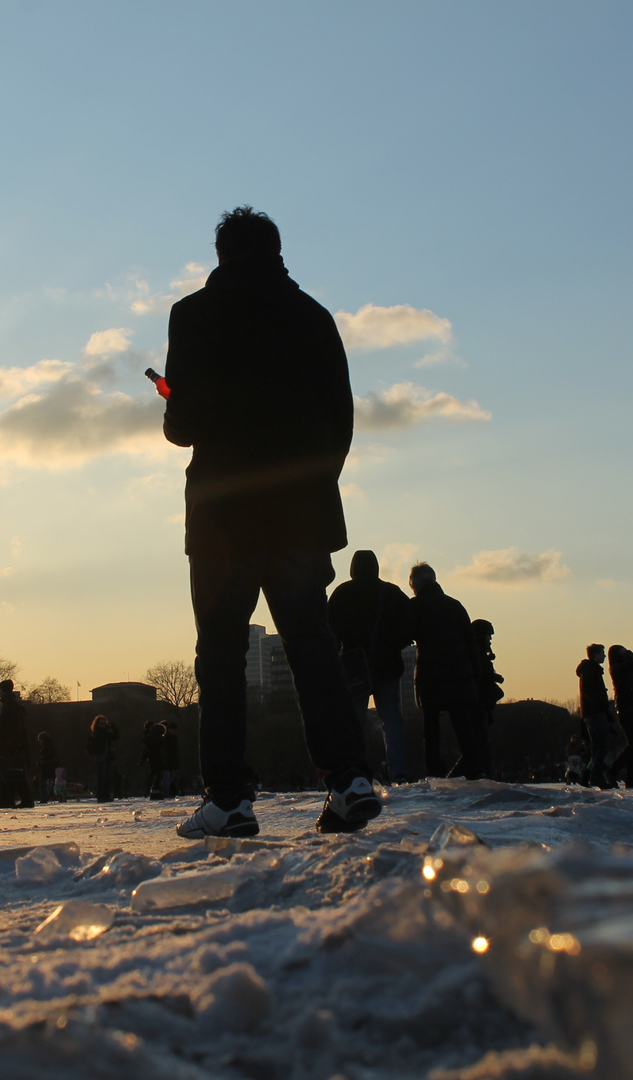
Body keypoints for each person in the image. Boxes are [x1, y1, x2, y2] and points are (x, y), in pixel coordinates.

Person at [162, 206, 379, 838]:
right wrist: (312, 486)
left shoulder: (193, 314)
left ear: (222, 253)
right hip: (300, 510)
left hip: (224, 512)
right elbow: (340, 419)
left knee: (222, 653)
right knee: (313, 646)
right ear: (277, 250)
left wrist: (174, 402)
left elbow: (184, 426)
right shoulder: (313, 317)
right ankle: (348, 778)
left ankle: (228, 797)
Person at [327, 549, 413, 783]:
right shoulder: (391, 593)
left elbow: (330, 630)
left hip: (355, 668)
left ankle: (354, 769)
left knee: (354, 722)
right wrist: (394, 643)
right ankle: (399, 771)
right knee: (391, 718)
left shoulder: (342, 593)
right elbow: (409, 623)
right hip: (387, 665)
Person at [409, 563, 489, 780]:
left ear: (414, 584)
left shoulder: (415, 606)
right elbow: (470, 643)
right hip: (459, 675)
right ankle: (476, 766)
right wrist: (475, 673)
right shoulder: (455, 606)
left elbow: (405, 634)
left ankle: (434, 772)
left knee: (431, 728)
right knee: (463, 725)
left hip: (431, 674)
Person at [576, 645, 615, 789]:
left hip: (591, 713)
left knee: (597, 748)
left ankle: (587, 776)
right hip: (595, 713)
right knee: (603, 745)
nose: (604, 656)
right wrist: (602, 708)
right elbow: (590, 692)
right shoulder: (591, 671)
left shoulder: (588, 670)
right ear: (596, 655)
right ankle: (596, 777)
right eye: (602, 653)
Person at [607, 646, 633, 787]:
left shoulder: (625, 667)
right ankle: (614, 771)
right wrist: (629, 655)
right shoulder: (617, 669)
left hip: (632, 707)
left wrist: (631, 656)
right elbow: (629, 667)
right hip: (626, 709)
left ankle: (629, 777)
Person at [0, 680, 33, 809]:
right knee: (11, 773)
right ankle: (9, 799)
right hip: (13, 745)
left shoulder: (9, 706)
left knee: (12, 773)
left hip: (11, 746)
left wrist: (9, 745)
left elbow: (11, 728)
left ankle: (20, 799)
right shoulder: (11, 704)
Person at [88, 714, 117, 803]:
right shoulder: (97, 733)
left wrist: (113, 728)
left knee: (106, 777)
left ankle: (106, 795)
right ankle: (102, 796)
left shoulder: (105, 733)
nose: (103, 725)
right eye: (101, 723)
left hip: (107, 756)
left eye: (104, 723)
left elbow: (116, 737)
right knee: (102, 777)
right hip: (100, 756)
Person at [140, 720, 165, 798]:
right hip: (156, 759)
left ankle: (153, 790)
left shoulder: (150, 738)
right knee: (158, 775)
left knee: (155, 774)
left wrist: (142, 760)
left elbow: (145, 750)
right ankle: (155, 791)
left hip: (152, 759)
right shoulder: (157, 739)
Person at [36, 731, 59, 804]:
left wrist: (41, 762)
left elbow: (46, 756)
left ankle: (44, 798)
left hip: (46, 766)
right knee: (54, 782)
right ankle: (56, 796)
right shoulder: (51, 744)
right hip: (52, 766)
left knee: (43, 782)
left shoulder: (46, 746)